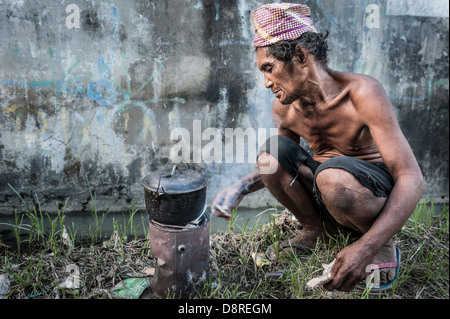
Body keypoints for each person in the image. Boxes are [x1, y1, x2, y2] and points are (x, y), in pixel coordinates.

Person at [211, 2, 424, 292]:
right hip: (328, 192)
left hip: (367, 197)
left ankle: (383, 245)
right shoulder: (286, 107)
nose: (266, 82)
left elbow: (411, 179)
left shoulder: (362, 93)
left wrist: (365, 248)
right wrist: (240, 187)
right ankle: (315, 231)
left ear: (300, 55)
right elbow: (278, 164)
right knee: (272, 153)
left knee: (331, 177)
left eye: (269, 68)